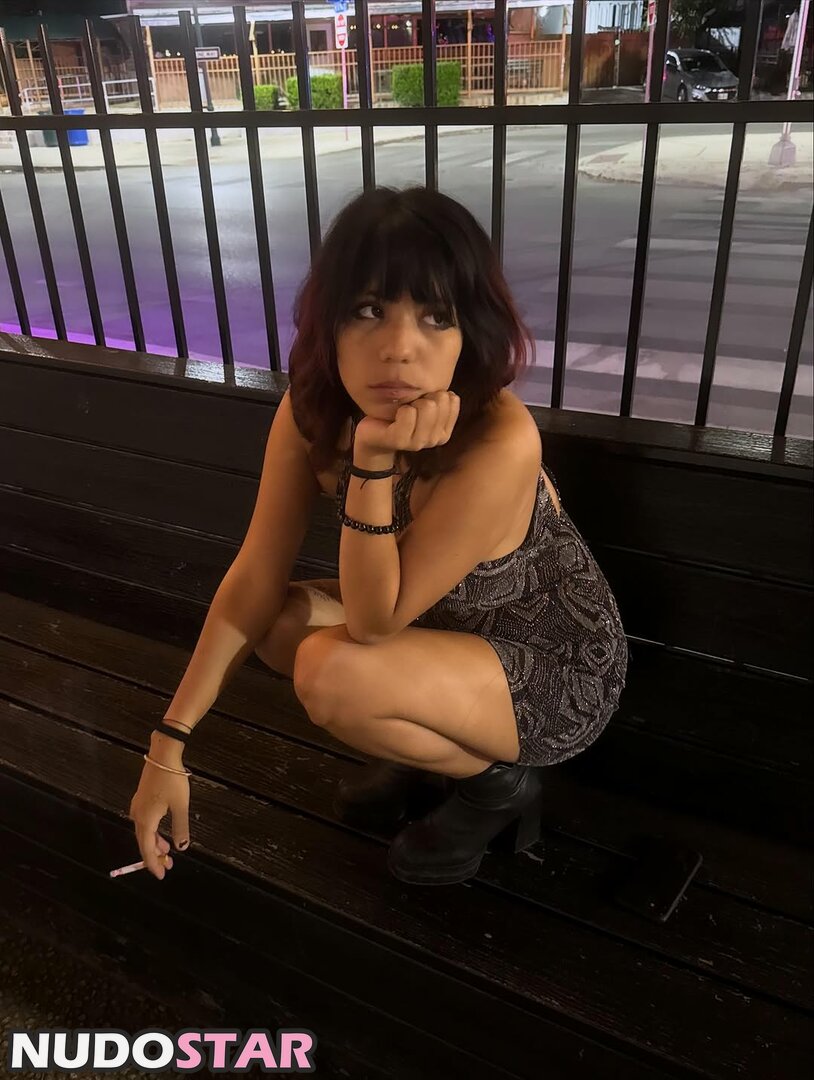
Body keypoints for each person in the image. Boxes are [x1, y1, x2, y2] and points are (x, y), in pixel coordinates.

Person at [128, 186, 628, 887]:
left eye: (436, 317)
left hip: (548, 664)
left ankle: (496, 784)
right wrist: (168, 745)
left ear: (469, 333)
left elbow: (373, 622)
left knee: (331, 670)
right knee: (278, 620)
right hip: (433, 628)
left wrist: (371, 459)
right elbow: (256, 573)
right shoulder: (311, 409)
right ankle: (416, 743)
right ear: (330, 321)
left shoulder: (499, 438)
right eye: (369, 310)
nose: (399, 349)